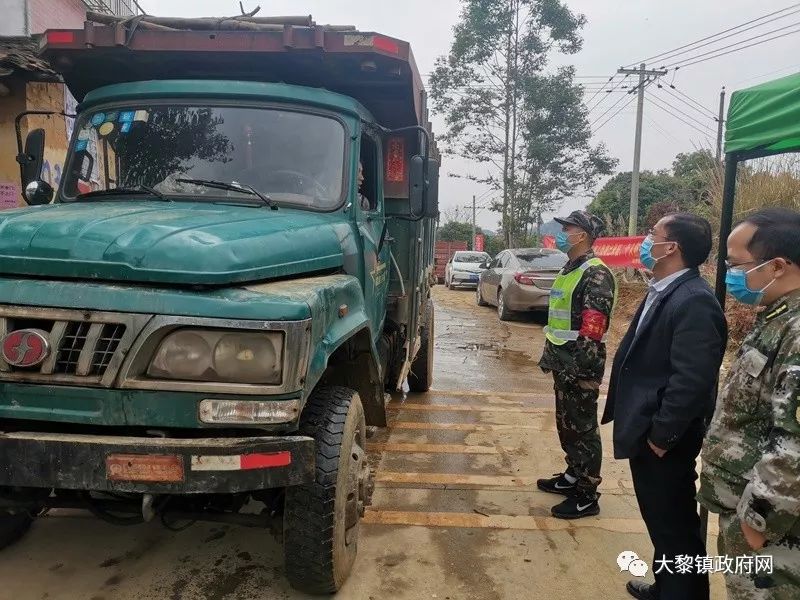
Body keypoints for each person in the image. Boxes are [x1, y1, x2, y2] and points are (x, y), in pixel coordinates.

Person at [602, 213, 727, 600]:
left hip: (664, 437)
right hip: (648, 428)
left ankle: (683, 593)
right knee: (662, 521)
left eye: (653, 234)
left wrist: (662, 434)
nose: (646, 240)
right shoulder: (665, 288)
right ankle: (668, 586)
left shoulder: (694, 301)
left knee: (675, 526)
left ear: (671, 247)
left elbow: (692, 379)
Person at [698, 207, 800, 600]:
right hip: (743, 504)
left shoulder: (795, 330)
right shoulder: (777, 317)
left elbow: (792, 444)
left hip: (774, 529)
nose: (729, 273)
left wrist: (758, 521)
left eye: (736, 264)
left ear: (776, 265)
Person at [537, 210, 617, 519]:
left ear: (581, 234)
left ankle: (587, 493)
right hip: (562, 360)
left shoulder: (595, 273)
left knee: (582, 428)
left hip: (579, 365)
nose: (561, 233)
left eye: (567, 228)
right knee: (567, 424)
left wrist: (579, 368)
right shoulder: (571, 268)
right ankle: (572, 475)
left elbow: (592, 328)